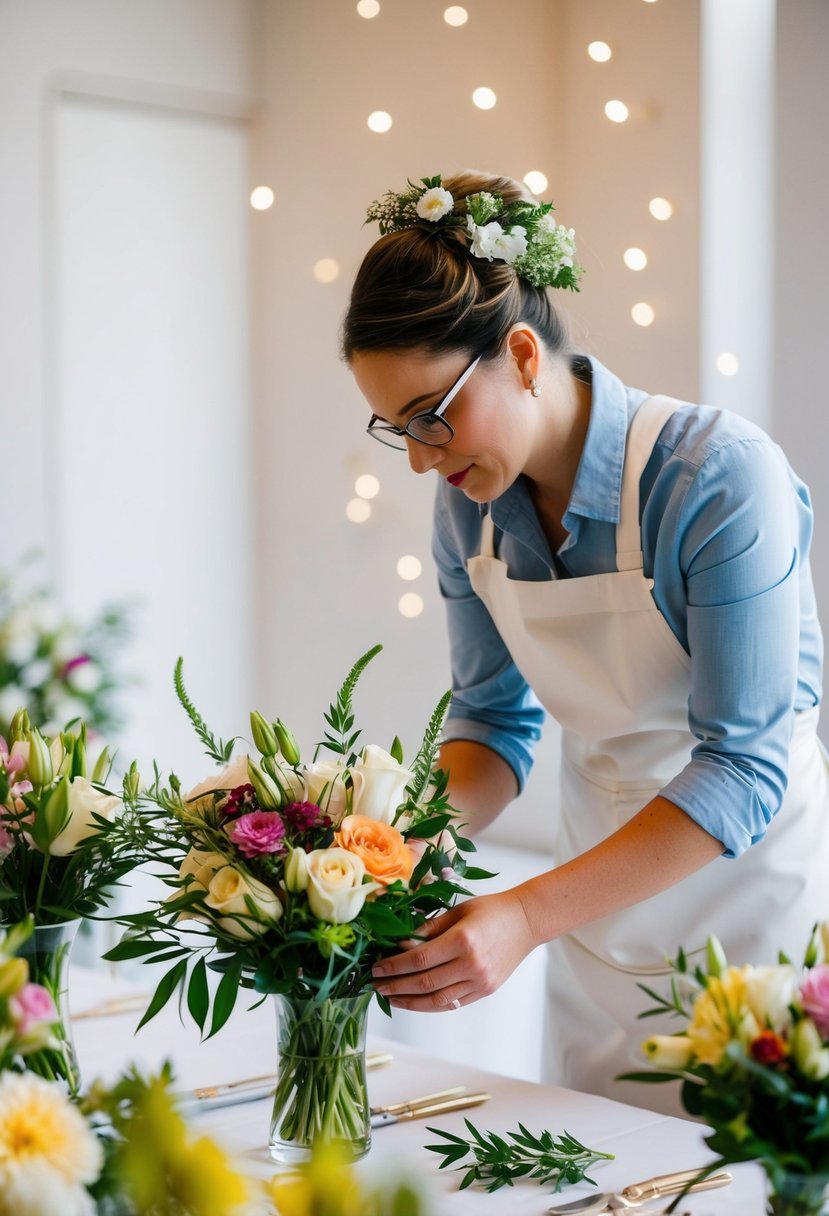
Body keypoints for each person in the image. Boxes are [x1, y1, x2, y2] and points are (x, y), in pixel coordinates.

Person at [342, 170, 829, 1111]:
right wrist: (400, 845)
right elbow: (491, 724)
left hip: (756, 921)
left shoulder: (718, 479)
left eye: (431, 418)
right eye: (395, 428)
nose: (419, 457)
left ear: (520, 354)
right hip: (596, 930)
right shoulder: (466, 512)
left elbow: (743, 767)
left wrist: (524, 914)